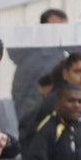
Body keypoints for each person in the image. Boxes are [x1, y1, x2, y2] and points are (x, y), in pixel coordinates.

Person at [10, 8, 70, 142]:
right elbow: (23, 94)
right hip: (36, 122)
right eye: (56, 28)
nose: (61, 33)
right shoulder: (39, 58)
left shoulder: (56, 54)